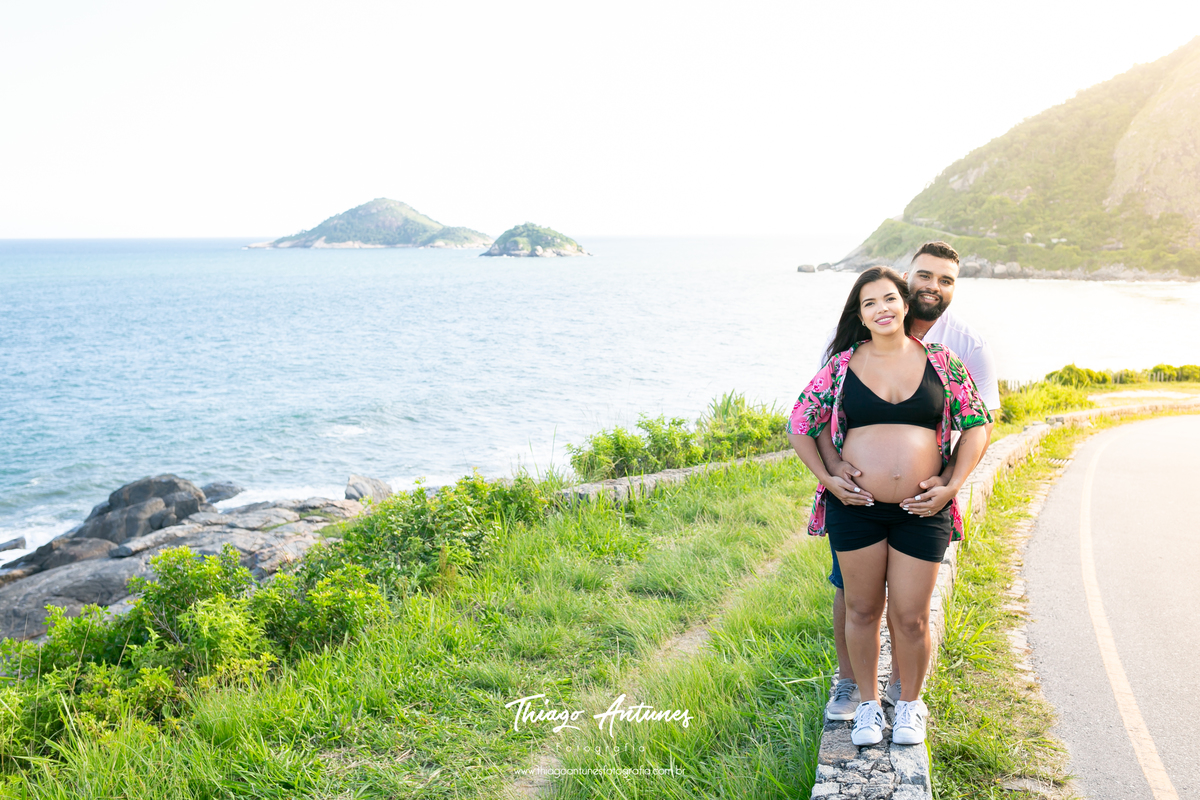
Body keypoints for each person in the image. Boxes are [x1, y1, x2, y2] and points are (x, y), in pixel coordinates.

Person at [788, 265, 992, 746]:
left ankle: (909, 706)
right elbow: (801, 422)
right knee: (860, 610)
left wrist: (950, 484)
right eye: (869, 303)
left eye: (888, 299)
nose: (881, 309)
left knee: (911, 616)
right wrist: (830, 477)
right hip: (856, 508)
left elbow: (977, 425)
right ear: (859, 314)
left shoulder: (941, 361)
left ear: (904, 303)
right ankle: (866, 706)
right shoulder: (842, 365)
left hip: (924, 510)